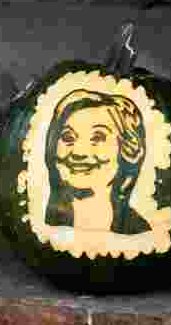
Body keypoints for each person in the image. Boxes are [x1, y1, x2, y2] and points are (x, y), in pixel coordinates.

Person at [44, 89, 151, 235]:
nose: (78, 153)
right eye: (68, 137)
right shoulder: (42, 225)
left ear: (127, 150)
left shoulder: (140, 234)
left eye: (98, 138)